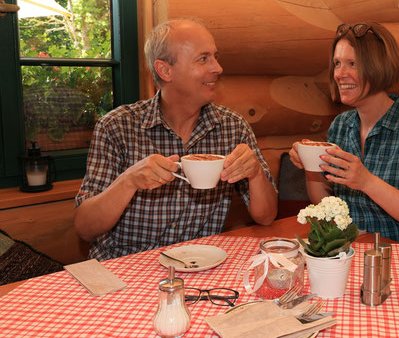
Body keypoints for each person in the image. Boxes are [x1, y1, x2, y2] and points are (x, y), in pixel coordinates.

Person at [74, 19, 278, 260]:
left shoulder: (232, 126)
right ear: (165, 70)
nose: (218, 68)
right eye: (203, 59)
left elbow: (266, 217)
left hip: (200, 265)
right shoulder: (116, 126)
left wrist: (254, 173)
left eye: (215, 56)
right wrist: (128, 181)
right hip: (124, 269)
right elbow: (85, 228)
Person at [289, 22, 399, 255]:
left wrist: (366, 182)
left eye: (352, 64)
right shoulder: (341, 125)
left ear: (379, 68)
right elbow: (324, 205)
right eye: (337, 63)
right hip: (355, 256)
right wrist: (309, 163)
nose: (339, 74)